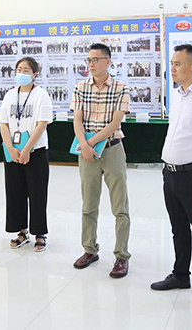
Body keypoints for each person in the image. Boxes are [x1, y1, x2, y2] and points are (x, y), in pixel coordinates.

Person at [151, 44, 192, 316]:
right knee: (178, 228)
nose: (173, 68)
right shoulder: (177, 95)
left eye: (178, 64)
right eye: (172, 63)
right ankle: (181, 274)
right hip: (171, 173)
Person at [71, 43, 131, 278]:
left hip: (112, 150)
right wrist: (84, 146)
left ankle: (121, 256)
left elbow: (115, 124)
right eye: (89, 60)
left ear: (108, 62)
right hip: (87, 153)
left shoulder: (120, 88)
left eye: (96, 59)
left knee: (120, 207)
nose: (91, 64)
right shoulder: (79, 88)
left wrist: (90, 143)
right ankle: (89, 250)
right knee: (88, 204)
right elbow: (77, 120)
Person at [0, 57, 53, 252]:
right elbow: (3, 123)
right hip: (12, 151)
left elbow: (42, 124)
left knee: (37, 193)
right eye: (19, 69)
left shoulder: (41, 95)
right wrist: (11, 149)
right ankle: (21, 231)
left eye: (26, 70)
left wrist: (28, 148)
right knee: (15, 192)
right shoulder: (10, 95)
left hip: (35, 151)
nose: (22, 73)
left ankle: (40, 233)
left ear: (35, 74)